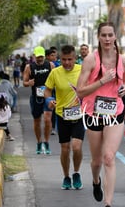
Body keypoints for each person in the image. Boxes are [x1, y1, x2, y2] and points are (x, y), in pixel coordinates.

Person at [76, 22, 125, 207]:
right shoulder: (90, 60)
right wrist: (102, 81)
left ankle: (108, 206)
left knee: (109, 157)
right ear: (98, 37)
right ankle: (95, 180)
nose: (107, 39)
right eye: (103, 35)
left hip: (114, 112)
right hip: (93, 113)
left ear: (116, 37)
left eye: (110, 35)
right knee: (97, 160)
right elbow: (80, 91)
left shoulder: (124, 61)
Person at [44, 45, 85, 190]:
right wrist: (49, 100)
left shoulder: (82, 70)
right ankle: (66, 176)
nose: (67, 63)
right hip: (62, 115)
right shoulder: (55, 72)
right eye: (64, 60)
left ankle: (76, 172)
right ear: (59, 59)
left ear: (75, 58)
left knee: (76, 146)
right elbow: (47, 90)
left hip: (79, 114)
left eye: (70, 59)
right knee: (65, 148)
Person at [23, 46, 55, 154]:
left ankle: (46, 142)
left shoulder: (50, 65)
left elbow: (56, 79)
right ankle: (39, 142)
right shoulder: (29, 67)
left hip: (48, 96)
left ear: (44, 56)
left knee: (47, 119)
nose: (40, 59)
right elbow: (24, 82)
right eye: (38, 57)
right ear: (34, 56)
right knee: (37, 121)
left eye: (41, 56)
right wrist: (29, 83)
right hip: (36, 97)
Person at [46, 47, 59, 135]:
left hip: (55, 90)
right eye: (52, 55)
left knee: (54, 108)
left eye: (55, 55)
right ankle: (49, 125)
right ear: (47, 56)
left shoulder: (57, 65)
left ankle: (53, 127)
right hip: (46, 89)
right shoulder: (44, 65)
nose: (54, 57)